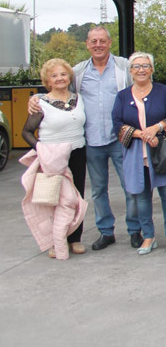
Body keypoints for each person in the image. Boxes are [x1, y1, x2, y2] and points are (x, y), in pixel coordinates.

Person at [28, 26, 140, 251]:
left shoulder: (123, 67)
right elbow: (56, 90)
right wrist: (37, 97)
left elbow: (139, 88)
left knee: (130, 187)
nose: (98, 45)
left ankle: (135, 230)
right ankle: (106, 231)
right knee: (98, 190)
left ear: (109, 43)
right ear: (87, 45)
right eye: (93, 41)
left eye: (102, 41)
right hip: (92, 140)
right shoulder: (77, 72)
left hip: (120, 138)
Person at [112, 52, 166, 255]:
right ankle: (149, 236)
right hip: (136, 153)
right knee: (141, 197)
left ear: (151, 69)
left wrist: (157, 128)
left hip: (162, 151)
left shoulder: (163, 92)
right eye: (136, 66)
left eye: (145, 66)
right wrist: (140, 134)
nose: (141, 69)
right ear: (130, 71)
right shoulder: (123, 96)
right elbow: (116, 123)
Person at [21, 58, 88, 258]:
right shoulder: (41, 103)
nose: (59, 78)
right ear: (47, 81)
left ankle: (75, 239)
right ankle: (54, 241)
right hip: (52, 157)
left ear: (69, 77)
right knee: (52, 199)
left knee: (76, 197)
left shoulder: (79, 98)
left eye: (63, 74)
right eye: (54, 75)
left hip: (77, 152)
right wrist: (41, 150)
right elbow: (26, 132)